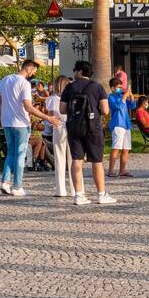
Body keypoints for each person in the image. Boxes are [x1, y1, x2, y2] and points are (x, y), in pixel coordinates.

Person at [0, 59, 58, 197]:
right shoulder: (25, 84)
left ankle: (5, 182)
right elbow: (28, 106)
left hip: (7, 123)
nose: (34, 73)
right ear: (29, 68)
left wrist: (0, 115)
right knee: (20, 154)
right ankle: (17, 186)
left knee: (10, 152)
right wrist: (48, 118)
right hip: (21, 124)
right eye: (34, 70)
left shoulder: (5, 79)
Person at [60, 60, 116, 206]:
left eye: (75, 70)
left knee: (76, 160)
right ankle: (101, 194)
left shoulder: (69, 88)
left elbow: (62, 109)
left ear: (79, 71)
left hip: (74, 127)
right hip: (93, 127)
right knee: (97, 162)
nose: (74, 73)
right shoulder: (97, 87)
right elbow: (105, 110)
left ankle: (78, 195)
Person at [44, 76, 74, 198]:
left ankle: (60, 190)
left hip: (58, 127)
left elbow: (51, 117)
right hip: (70, 126)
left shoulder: (51, 99)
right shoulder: (70, 97)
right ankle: (75, 188)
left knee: (59, 159)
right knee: (74, 159)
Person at [106, 77, 134, 178]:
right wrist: (124, 97)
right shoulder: (111, 97)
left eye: (121, 87)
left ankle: (122, 170)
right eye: (118, 87)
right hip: (117, 124)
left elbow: (132, 106)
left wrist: (130, 96)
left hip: (126, 124)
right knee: (116, 148)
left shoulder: (123, 96)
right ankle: (110, 171)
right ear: (113, 88)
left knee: (126, 148)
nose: (120, 89)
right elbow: (117, 106)